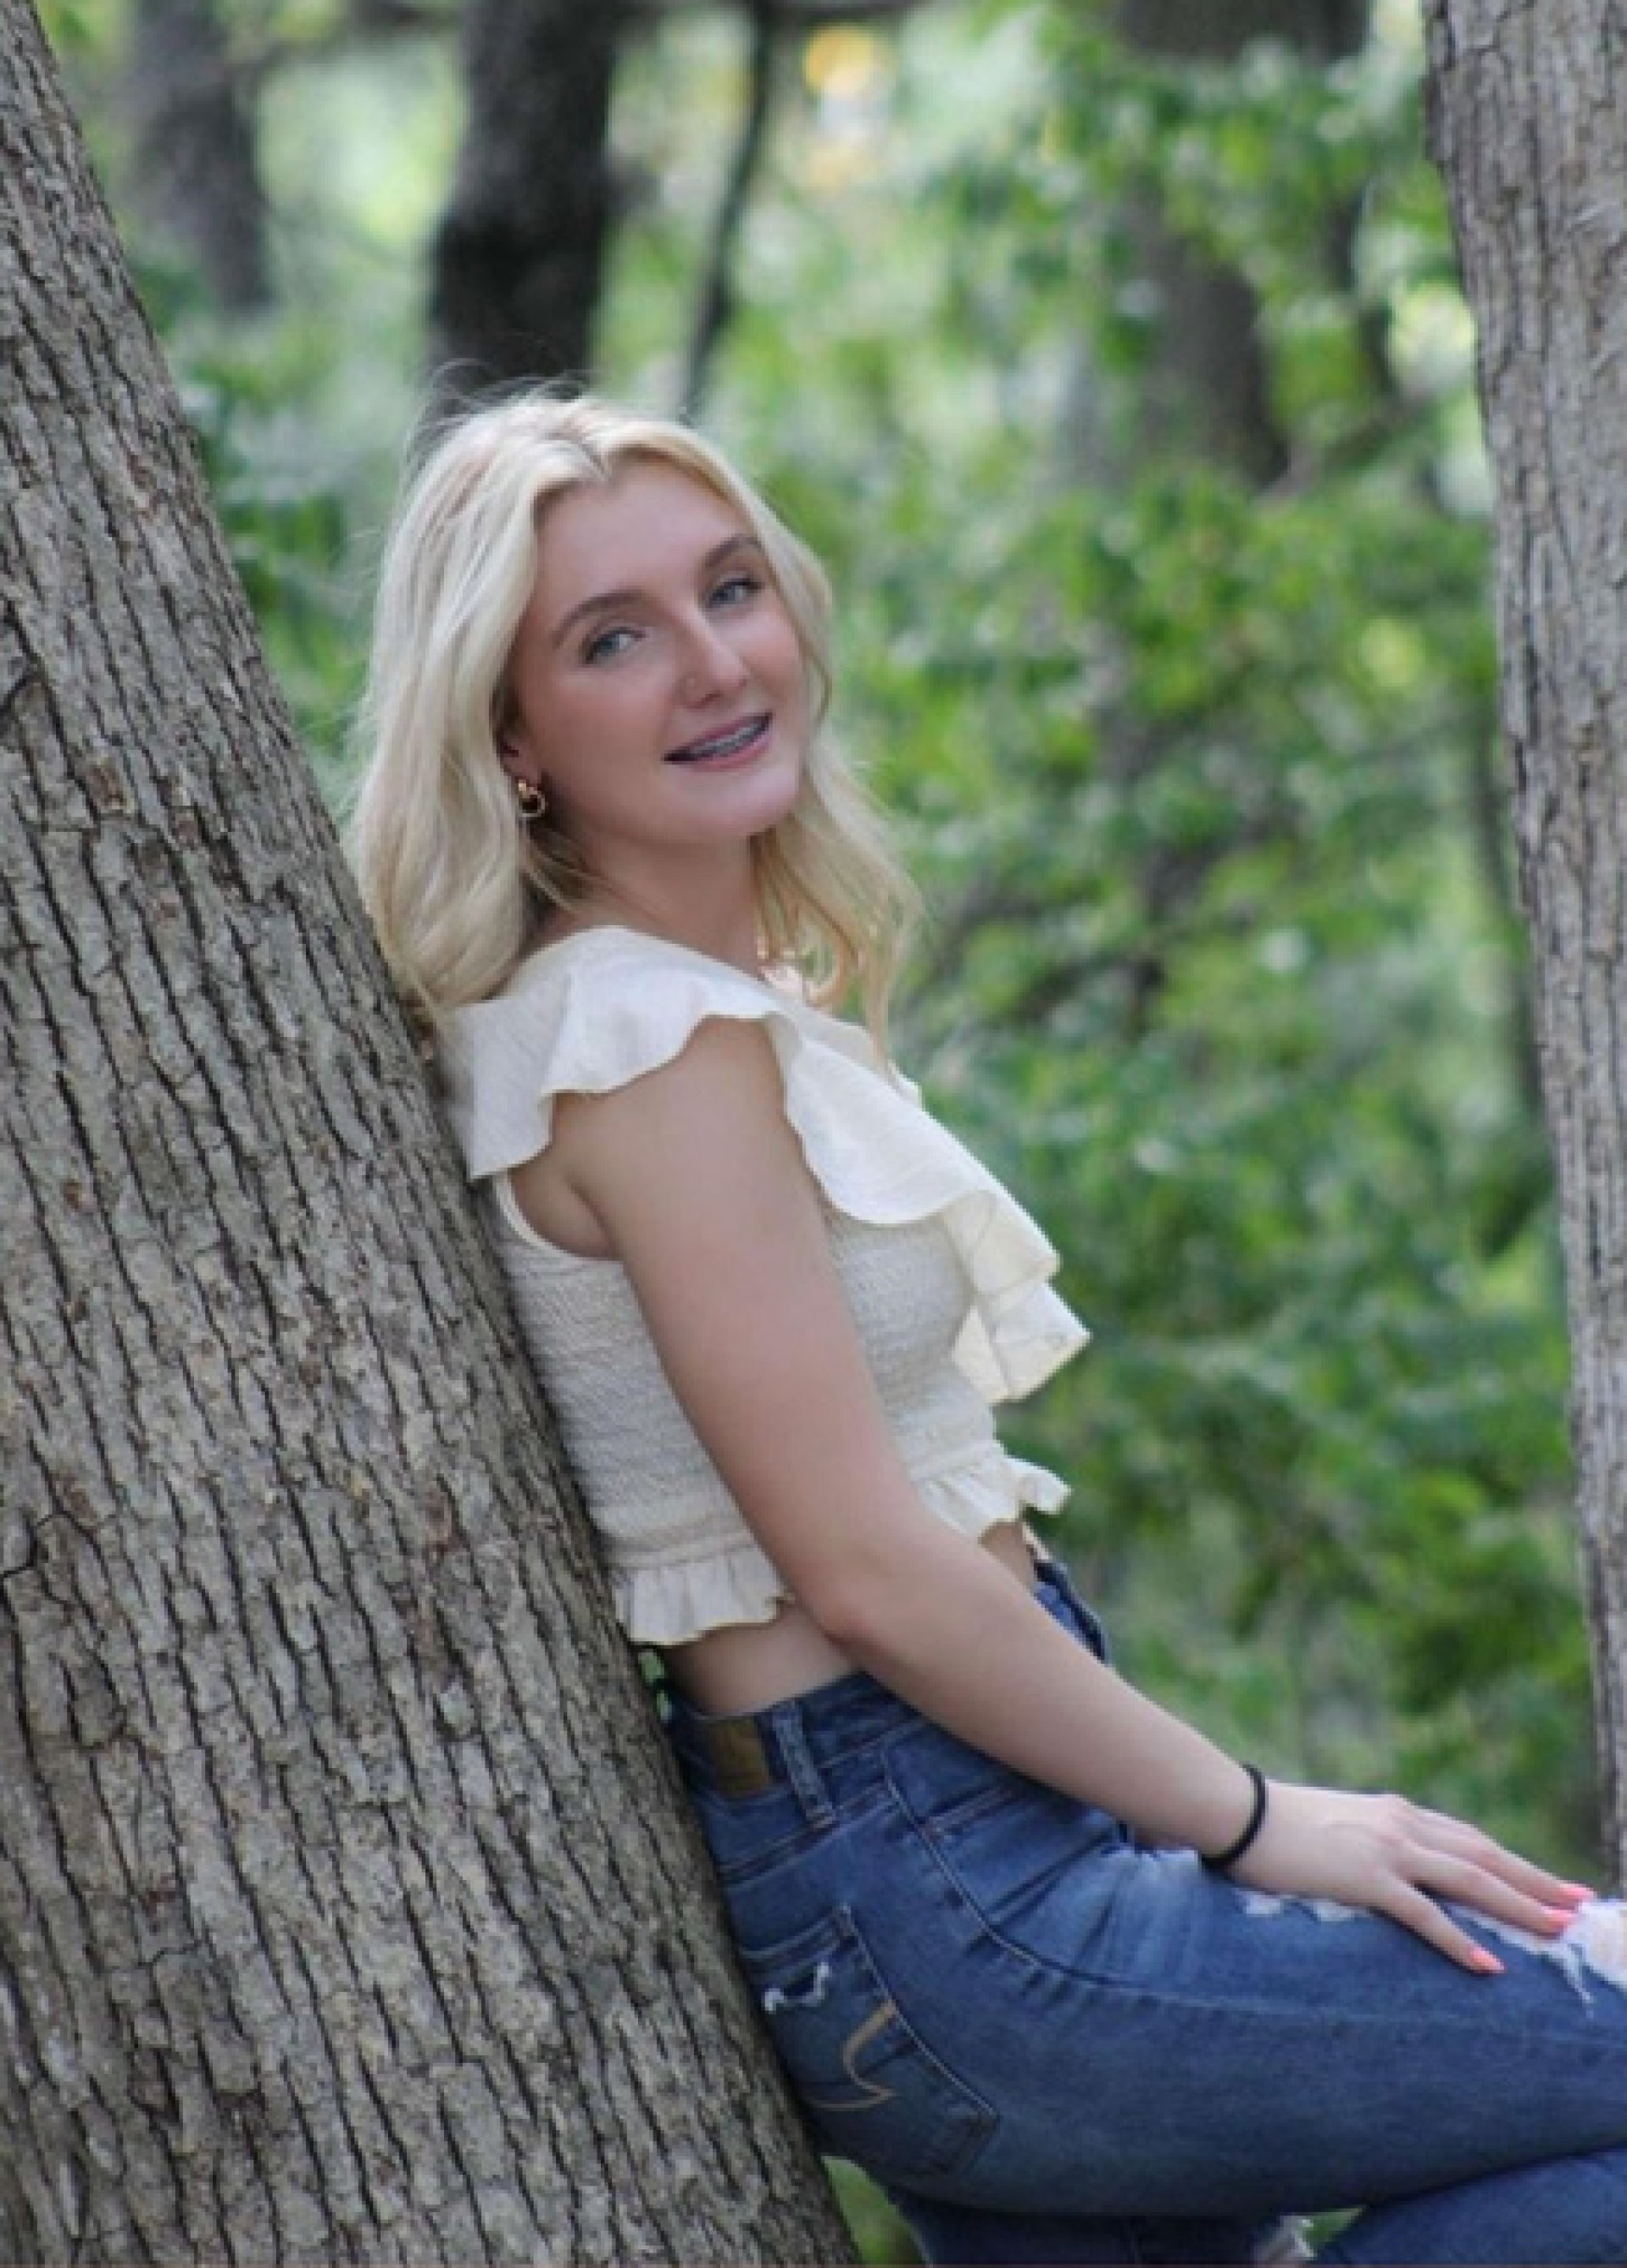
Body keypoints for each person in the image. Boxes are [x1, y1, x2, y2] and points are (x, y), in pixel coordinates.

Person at [350, 388, 1627, 2266]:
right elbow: (860, 1564)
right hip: (948, 1884)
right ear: (512, 736)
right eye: (612, 639)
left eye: (734, 589)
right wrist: (1261, 1817)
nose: (715, 664)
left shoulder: (696, 1007)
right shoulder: (641, 1042)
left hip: (964, 1845)